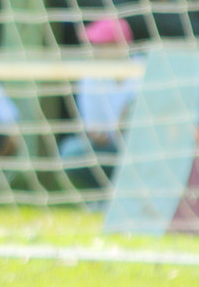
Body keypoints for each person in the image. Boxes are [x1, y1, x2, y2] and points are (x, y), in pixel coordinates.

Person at [58, 18, 139, 199]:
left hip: (145, 151)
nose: (95, 51)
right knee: (71, 152)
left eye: (101, 45)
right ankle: (104, 198)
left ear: (121, 47)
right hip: (111, 148)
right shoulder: (91, 76)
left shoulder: (146, 72)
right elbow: (94, 128)